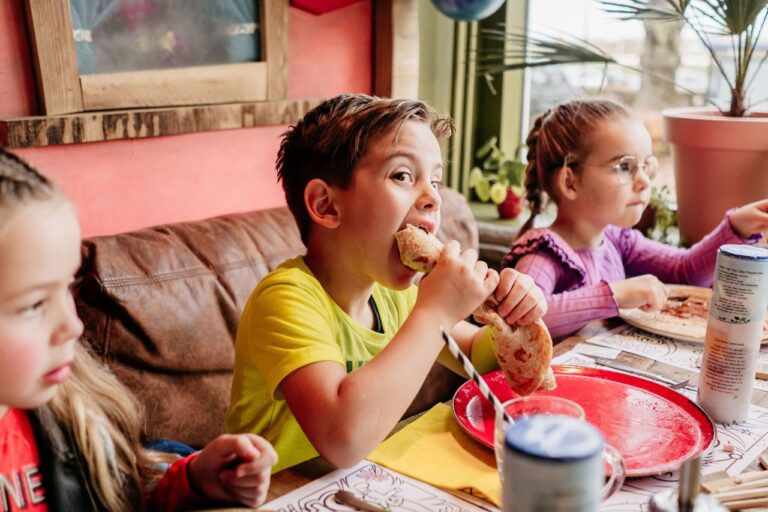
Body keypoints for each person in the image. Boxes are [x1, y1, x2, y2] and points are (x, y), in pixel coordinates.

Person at [225, 94, 547, 472]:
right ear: (326, 206)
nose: (432, 198)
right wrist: (436, 313)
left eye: (436, 181)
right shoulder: (284, 300)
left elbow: (480, 355)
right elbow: (341, 440)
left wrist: (512, 317)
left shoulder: (394, 299)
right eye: (402, 176)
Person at [0, 149, 277, 511]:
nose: (73, 325)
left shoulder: (74, 414)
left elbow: (124, 494)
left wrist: (195, 480)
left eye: (66, 289)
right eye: (34, 304)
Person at [501, 99, 768, 340]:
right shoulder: (543, 254)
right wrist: (615, 295)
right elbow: (519, 323)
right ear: (570, 181)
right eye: (624, 167)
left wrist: (736, 227)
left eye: (646, 166)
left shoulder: (618, 240)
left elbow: (684, 272)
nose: (643, 182)